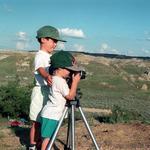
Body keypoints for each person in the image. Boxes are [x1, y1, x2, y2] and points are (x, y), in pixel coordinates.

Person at [29, 25, 66, 150]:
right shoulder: (40, 55)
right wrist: (46, 76)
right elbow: (40, 69)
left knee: (45, 119)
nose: (55, 44)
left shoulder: (50, 56)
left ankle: (42, 144)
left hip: (49, 91)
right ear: (43, 39)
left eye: (56, 42)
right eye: (53, 40)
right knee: (37, 121)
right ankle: (33, 145)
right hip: (40, 91)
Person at [40, 51, 81, 150]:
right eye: (69, 70)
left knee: (47, 139)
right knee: (47, 141)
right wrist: (75, 81)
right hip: (52, 115)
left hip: (50, 114)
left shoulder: (55, 78)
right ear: (60, 68)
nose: (71, 72)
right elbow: (70, 96)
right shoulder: (60, 81)